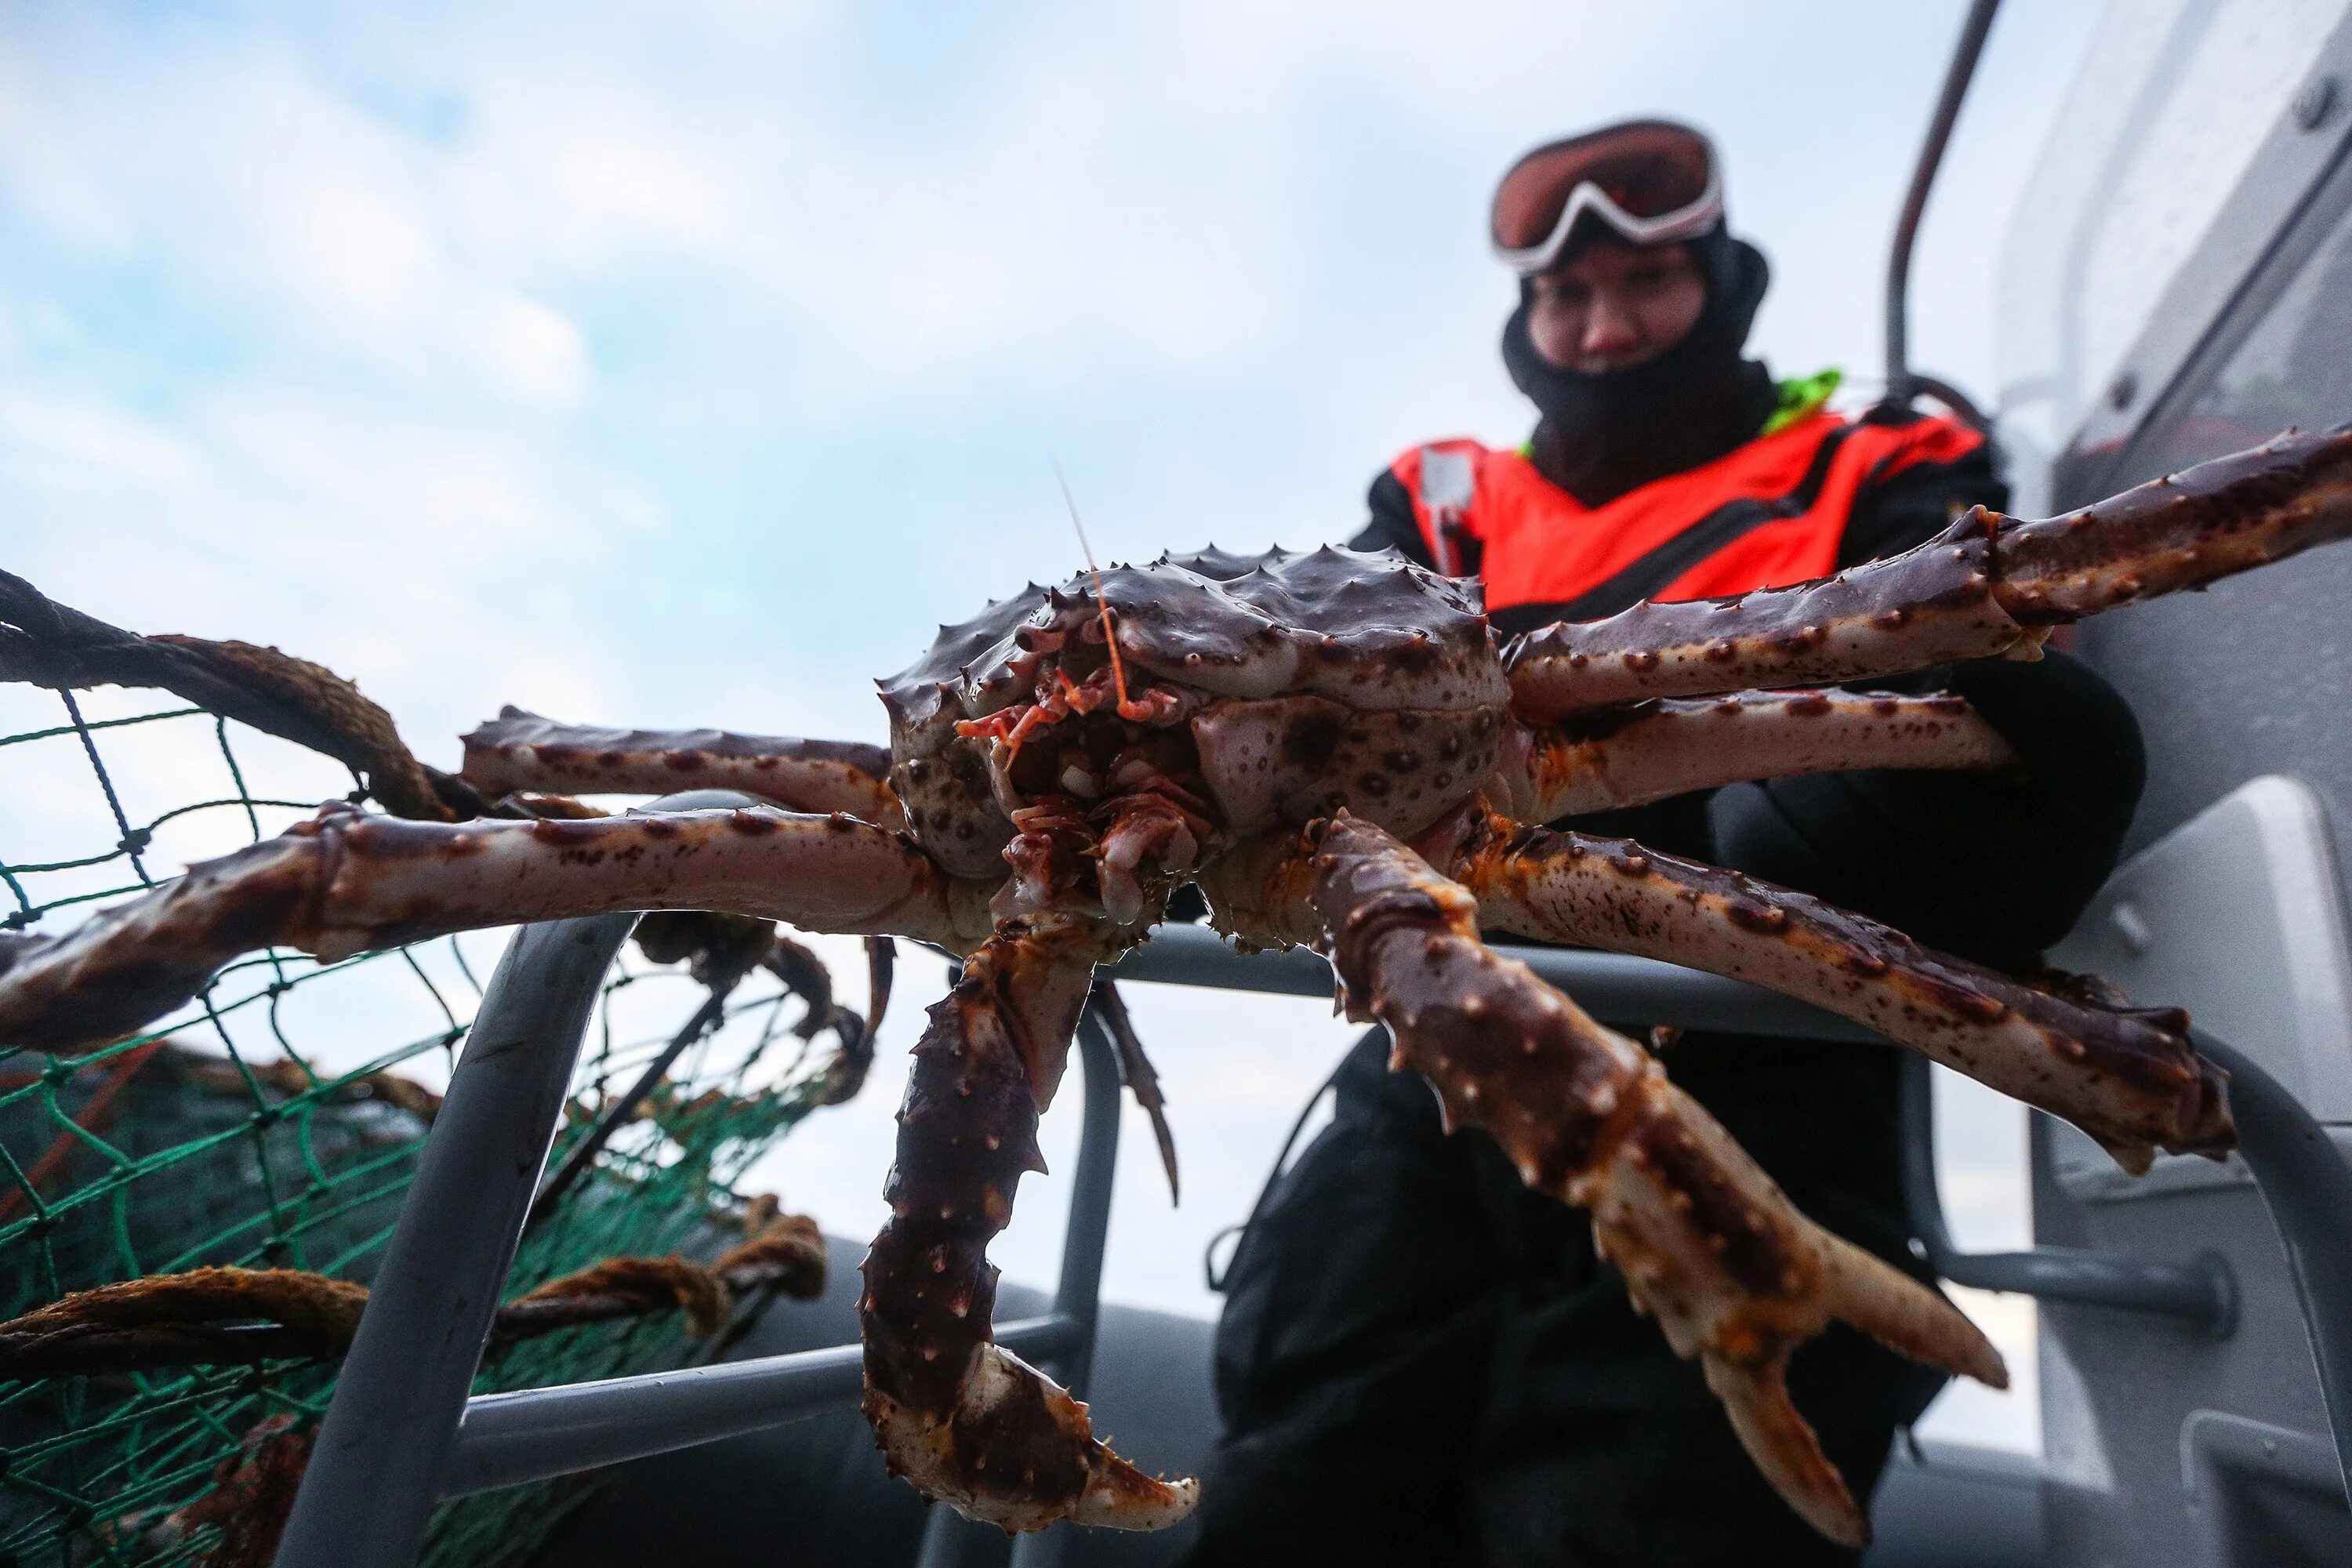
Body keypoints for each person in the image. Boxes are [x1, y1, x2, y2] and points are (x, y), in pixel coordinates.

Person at [1183, 119, 2146, 1566]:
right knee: (1302, 1472)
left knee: (1660, 1511)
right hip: (1429, 1039)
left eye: (1644, 282)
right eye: (1567, 298)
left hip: (1763, 1035)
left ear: (1722, 278)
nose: (1607, 323)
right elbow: (1304, 712)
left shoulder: (1876, 455)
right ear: (1529, 321)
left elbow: (1973, 667)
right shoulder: (1445, 499)